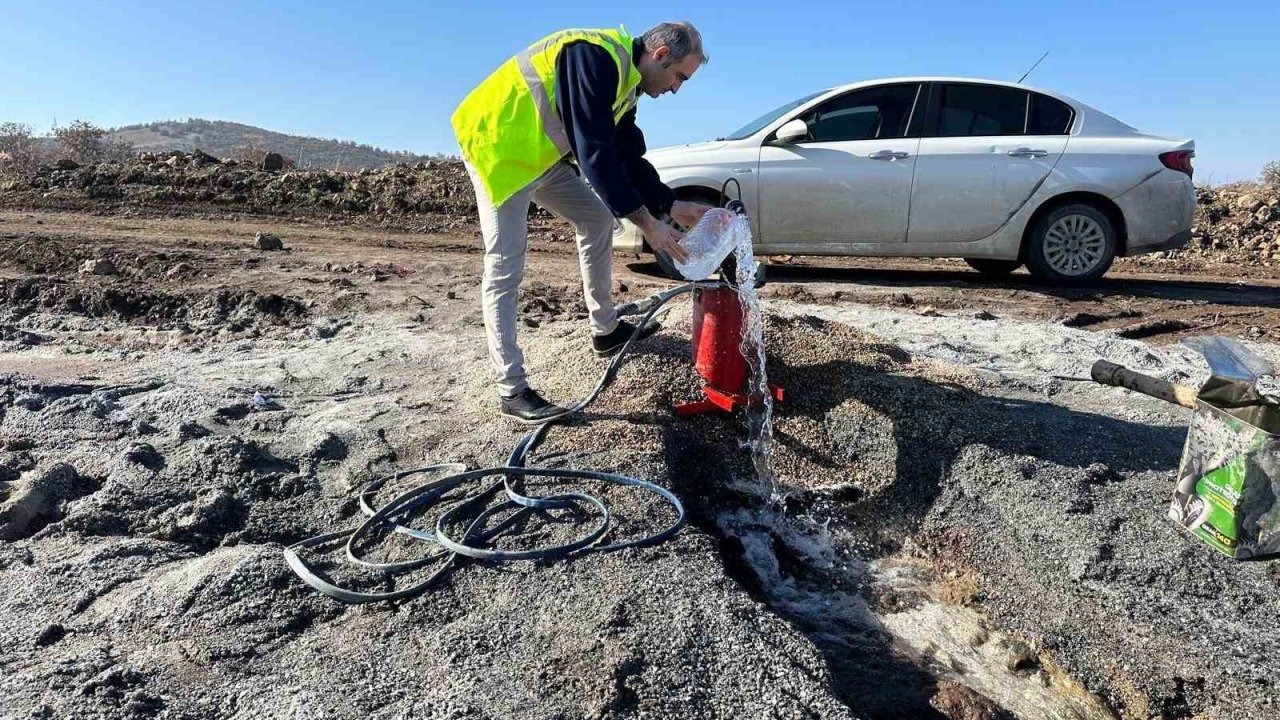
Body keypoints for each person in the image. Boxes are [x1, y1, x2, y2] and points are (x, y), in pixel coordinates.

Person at [452, 21, 713, 423]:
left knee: (595, 218)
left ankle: (605, 330)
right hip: (499, 151)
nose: (676, 88)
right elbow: (595, 155)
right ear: (661, 55)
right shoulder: (592, 57)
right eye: (679, 77)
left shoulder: (626, 85)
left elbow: (626, 155)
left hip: (539, 155)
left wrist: (670, 204)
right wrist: (648, 224)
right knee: (505, 264)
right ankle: (512, 389)